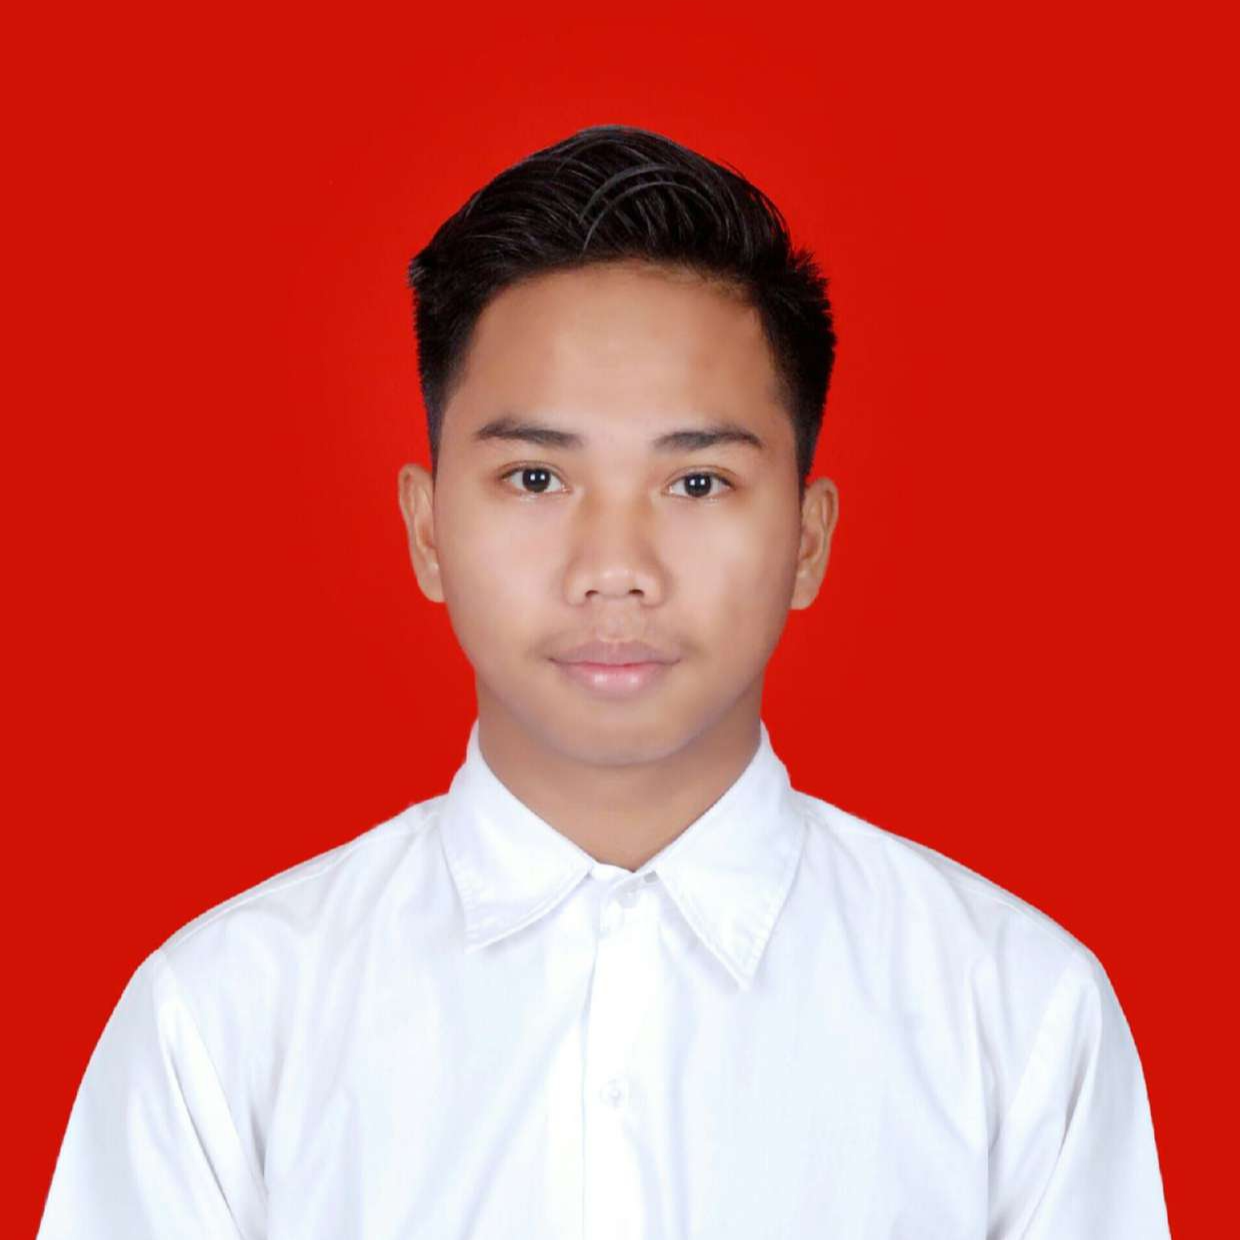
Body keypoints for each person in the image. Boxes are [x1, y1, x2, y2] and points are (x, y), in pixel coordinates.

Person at [37, 124, 1172, 1238]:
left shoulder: (1015, 1017)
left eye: (697, 483)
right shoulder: (223, 1023)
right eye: (536, 477)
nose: (615, 568)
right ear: (427, 531)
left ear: (808, 538)